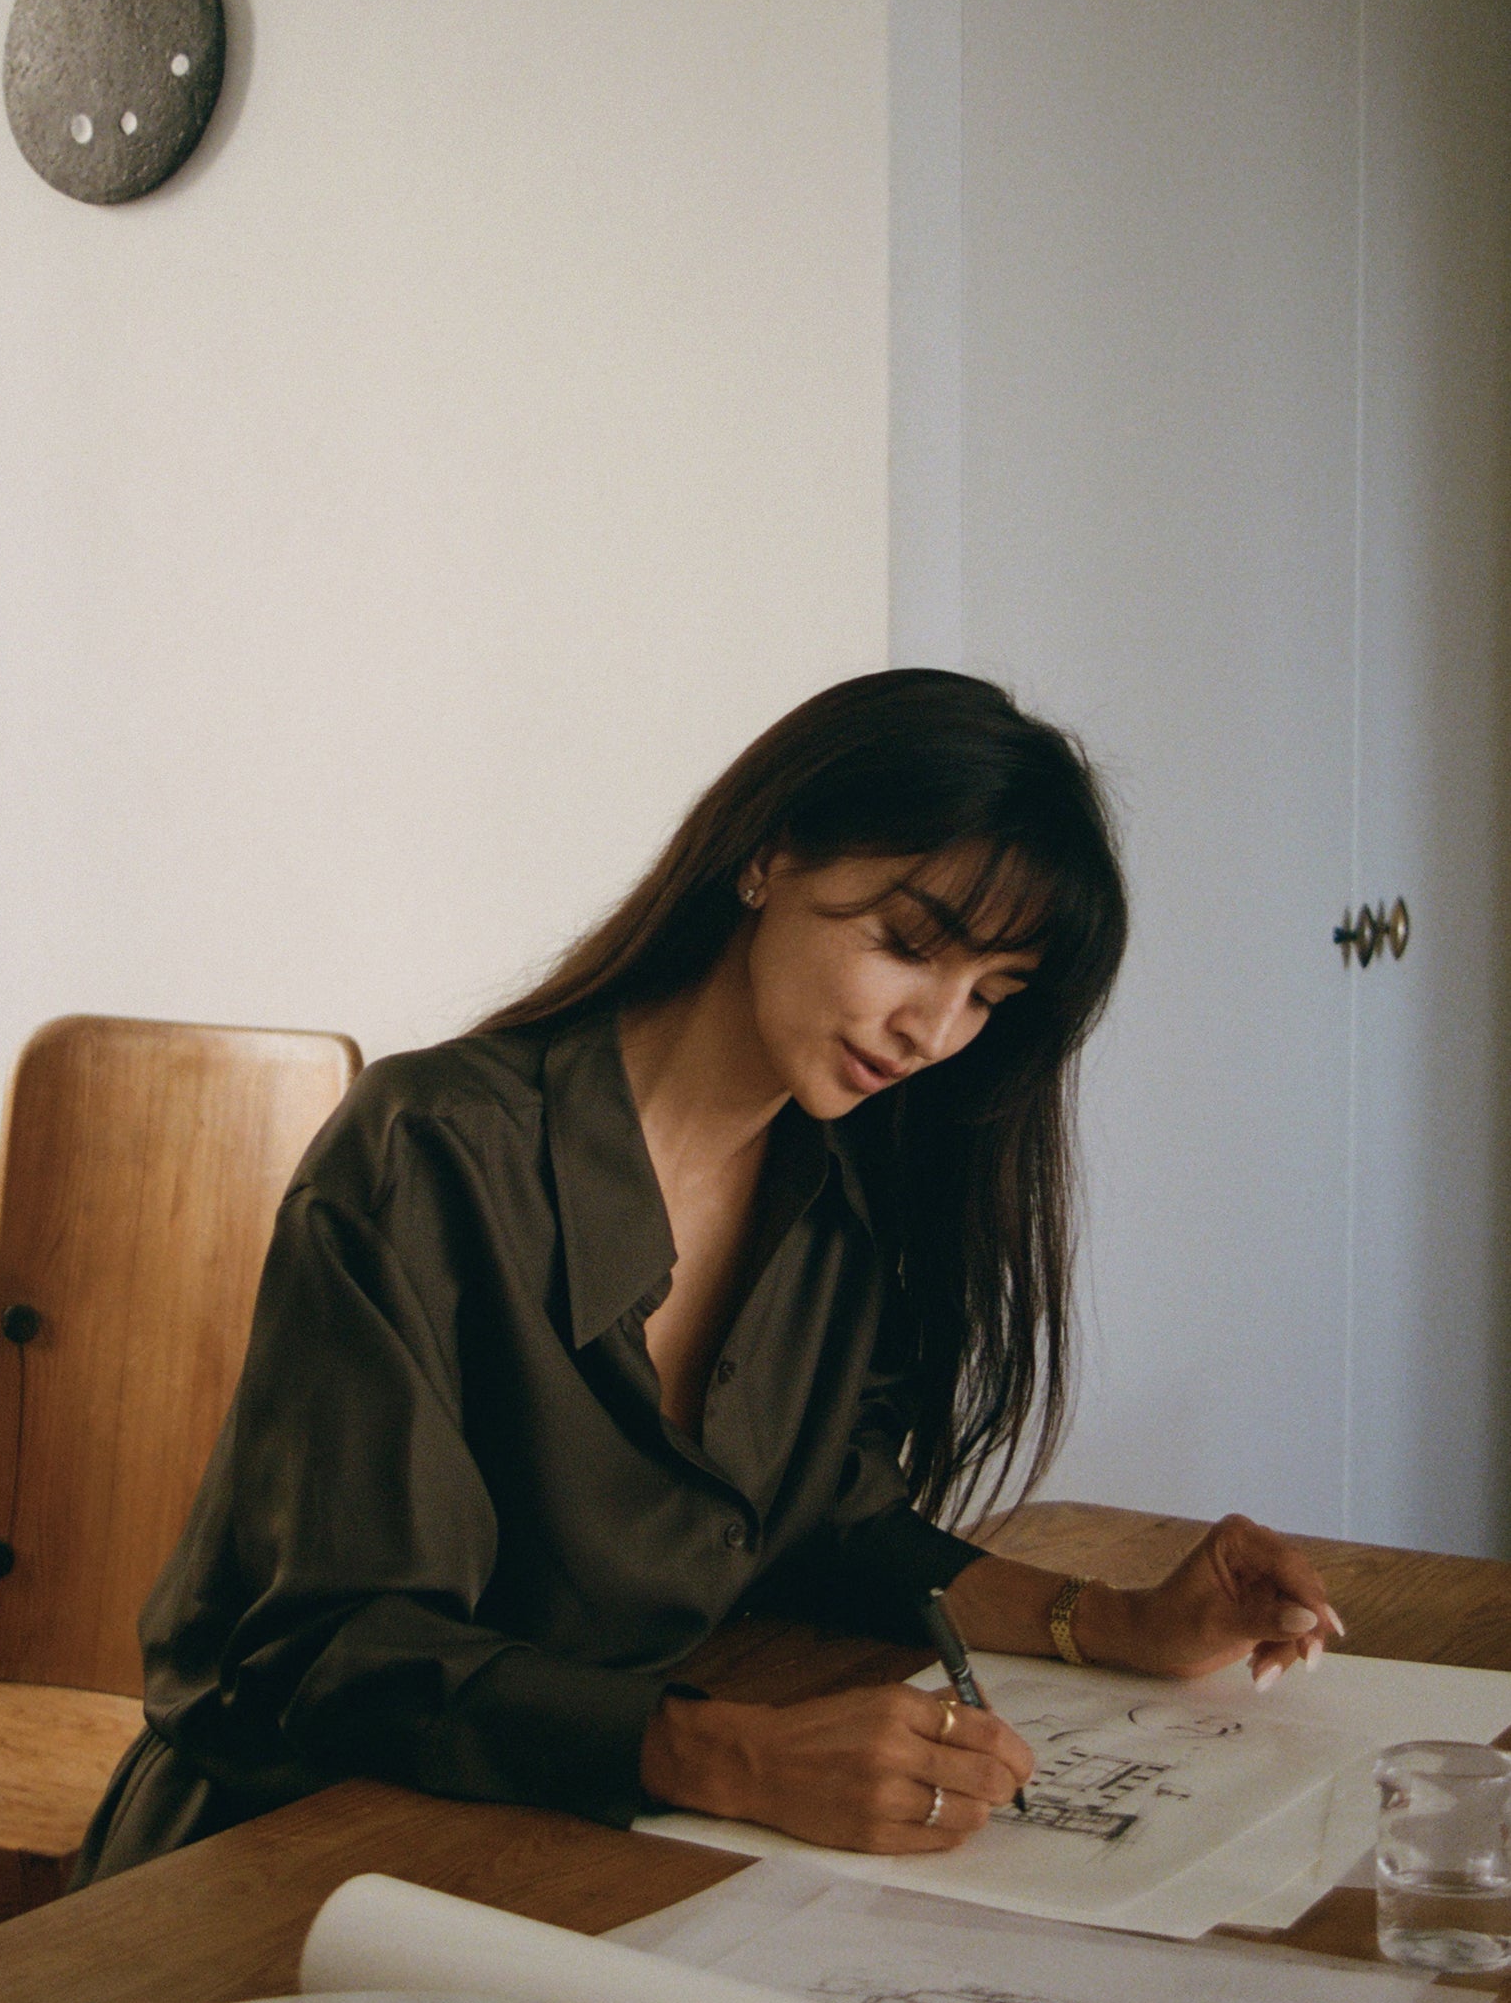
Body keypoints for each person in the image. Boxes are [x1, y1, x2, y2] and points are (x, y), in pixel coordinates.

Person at [73, 670, 1340, 1884]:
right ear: (769, 855)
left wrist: (1123, 1624)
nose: (935, 1030)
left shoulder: (846, 1194)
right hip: (281, 1851)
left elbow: (823, 1530)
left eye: (989, 994)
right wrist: (729, 1752)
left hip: (567, 1851)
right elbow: (338, 1652)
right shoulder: (435, 1152)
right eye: (909, 943)